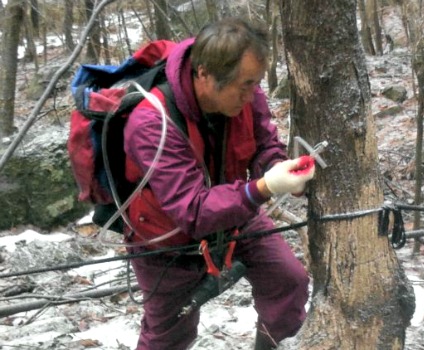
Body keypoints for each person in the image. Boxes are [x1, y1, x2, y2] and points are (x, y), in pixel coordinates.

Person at [123, 17, 315, 350]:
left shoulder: (246, 93)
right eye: (245, 85)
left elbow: (263, 144)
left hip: (234, 215)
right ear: (204, 75)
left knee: (288, 281)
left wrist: (281, 171)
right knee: (167, 336)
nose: (253, 93)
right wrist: (264, 187)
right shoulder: (150, 123)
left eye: (255, 83)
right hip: (165, 240)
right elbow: (193, 210)